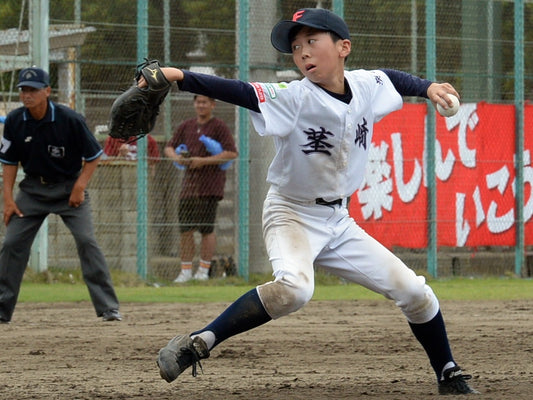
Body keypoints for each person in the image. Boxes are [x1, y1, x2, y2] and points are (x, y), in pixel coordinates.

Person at [151, 8, 478, 395]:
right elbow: (240, 91)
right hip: (291, 212)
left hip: (339, 221)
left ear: (343, 47)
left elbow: (390, 78)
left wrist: (428, 87)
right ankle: (199, 343)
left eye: (311, 41)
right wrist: (179, 77)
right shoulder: (293, 97)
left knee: (415, 292)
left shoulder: (365, 84)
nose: (302, 52)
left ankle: (448, 372)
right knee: (295, 289)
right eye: (295, 46)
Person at [0, 67, 122, 323]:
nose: (27, 95)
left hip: (69, 189)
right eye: (24, 90)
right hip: (33, 190)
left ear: (47, 91)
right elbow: (9, 163)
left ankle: (109, 307)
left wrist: (79, 187)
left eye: (33, 89)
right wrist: (8, 200)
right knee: (11, 244)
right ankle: (2, 309)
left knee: (86, 240)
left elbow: (93, 155)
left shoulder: (69, 119)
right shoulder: (14, 121)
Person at [164, 95, 237, 282]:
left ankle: (203, 271)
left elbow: (231, 153)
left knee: (206, 229)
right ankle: (185, 271)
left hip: (210, 186)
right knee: (185, 230)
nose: (201, 105)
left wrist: (203, 161)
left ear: (213, 105)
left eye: (205, 102)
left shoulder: (219, 126)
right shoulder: (186, 125)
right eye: (198, 102)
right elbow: (169, 147)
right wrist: (179, 158)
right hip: (189, 187)